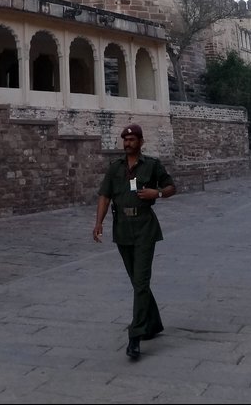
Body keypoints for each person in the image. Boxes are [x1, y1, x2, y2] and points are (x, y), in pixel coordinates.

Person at [93, 123, 176, 361]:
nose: (128, 143)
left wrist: (157, 193)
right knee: (136, 281)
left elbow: (172, 187)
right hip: (122, 229)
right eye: (125, 140)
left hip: (145, 228)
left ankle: (135, 335)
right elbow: (105, 196)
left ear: (141, 142)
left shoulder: (152, 165)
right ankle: (153, 323)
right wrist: (98, 223)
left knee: (141, 281)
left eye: (132, 140)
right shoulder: (115, 168)